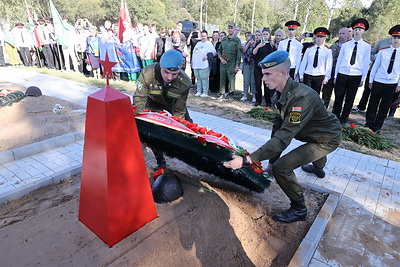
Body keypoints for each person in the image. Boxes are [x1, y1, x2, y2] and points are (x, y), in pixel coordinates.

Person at [223, 50, 342, 223]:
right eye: (263, 74)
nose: (263, 79)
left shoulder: (302, 98)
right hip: (311, 132)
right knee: (281, 161)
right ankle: (318, 166)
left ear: (283, 73)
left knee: (282, 168)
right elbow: (278, 127)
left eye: (267, 74)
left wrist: (248, 160)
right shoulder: (279, 92)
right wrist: (270, 161)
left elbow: (284, 137)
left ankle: (299, 209)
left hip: (326, 138)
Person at [133, 50, 192, 179]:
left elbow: (179, 112)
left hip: (172, 105)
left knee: (189, 128)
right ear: (160, 66)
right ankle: (161, 162)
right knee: (153, 133)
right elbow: (139, 100)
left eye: (174, 73)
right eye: (166, 72)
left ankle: (191, 157)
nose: (169, 77)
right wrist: (145, 123)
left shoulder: (185, 82)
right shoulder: (148, 73)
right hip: (152, 103)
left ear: (180, 69)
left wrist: (177, 132)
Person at [333, 18, 371, 124]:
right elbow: (339, 61)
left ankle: (344, 118)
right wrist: (336, 76)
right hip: (343, 73)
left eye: (360, 29)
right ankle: (335, 116)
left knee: (350, 98)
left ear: (363, 31)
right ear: (353, 30)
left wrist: (363, 78)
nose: (357, 31)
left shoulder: (366, 46)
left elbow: (365, 63)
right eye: (356, 29)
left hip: (356, 75)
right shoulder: (346, 45)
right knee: (338, 97)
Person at [364, 25, 400, 133]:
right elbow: (375, 67)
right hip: (379, 81)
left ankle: (377, 126)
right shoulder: (383, 51)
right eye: (394, 38)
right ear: (391, 39)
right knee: (372, 104)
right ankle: (368, 124)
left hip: (392, 83)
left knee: (384, 106)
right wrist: (371, 81)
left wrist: (399, 84)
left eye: (398, 38)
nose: (396, 40)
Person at [352, 35, 392, 113]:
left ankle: (380, 112)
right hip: (374, 70)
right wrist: (376, 58)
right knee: (367, 90)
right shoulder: (382, 42)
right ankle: (361, 106)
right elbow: (372, 53)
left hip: (387, 75)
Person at [299, 27, 333, 95]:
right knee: (305, 94)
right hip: (308, 74)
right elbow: (304, 62)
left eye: (321, 37)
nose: (319, 39)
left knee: (315, 95)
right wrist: (301, 75)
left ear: (324, 38)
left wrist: (326, 78)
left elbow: (329, 65)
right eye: (318, 36)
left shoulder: (327, 50)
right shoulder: (309, 49)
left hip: (319, 75)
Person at [321, 27, 347, 108]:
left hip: (341, 75)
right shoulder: (333, 46)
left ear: (348, 34)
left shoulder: (349, 47)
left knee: (339, 95)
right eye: (340, 33)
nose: (341, 35)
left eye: (343, 34)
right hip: (330, 74)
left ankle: (336, 113)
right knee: (326, 94)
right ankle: (323, 111)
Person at [217, 23, 242, 99]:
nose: (230, 29)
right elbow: (219, 50)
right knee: (222, 78)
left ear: (234, 29)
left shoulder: (236, 40)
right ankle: (222, 93)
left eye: (231, 28)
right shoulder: (224, 39)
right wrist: (221, 58)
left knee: (231, 78)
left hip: (232, 62)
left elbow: (238, 53)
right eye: (229, 28)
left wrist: (237, 65)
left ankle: (231, 93)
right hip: (223, 62)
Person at [252, 28, 276, 106]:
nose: (265, 36)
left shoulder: (272, 45)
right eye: (264, 34)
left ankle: (267, 102)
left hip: (267, 68)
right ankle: (258, 101)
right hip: (258, 67)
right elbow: (253, 53)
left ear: (269, 35)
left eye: (266, 34)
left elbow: (273, 57)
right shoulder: (259, 43)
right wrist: (258, 46)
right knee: (258, 85)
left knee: (267, 86)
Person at [192, 30, 216, 97]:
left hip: (204, 64)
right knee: (198, 77)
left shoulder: (209, 44)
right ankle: (199, 91)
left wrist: (208, 57)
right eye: (202, 36)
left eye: (204, 36)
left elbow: (214, 53)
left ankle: (205, 92)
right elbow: (194, 53)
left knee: (204, 78)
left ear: (207, 36)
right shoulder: (198, 43)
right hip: (197, 63)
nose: (203, 37)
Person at [240, 31, 256, 101]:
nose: (248, 37)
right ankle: (245, 95)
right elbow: (243, 50)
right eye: (246, 36)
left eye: (249, 35)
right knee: (246, 80)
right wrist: (248, 43)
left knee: (253, 81)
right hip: (246, 64)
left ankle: (254, 96)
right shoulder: (244, 44)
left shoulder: (255, 44)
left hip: (253, 64)